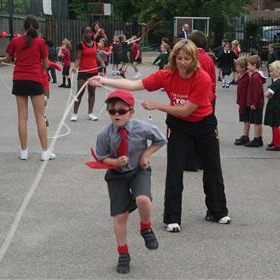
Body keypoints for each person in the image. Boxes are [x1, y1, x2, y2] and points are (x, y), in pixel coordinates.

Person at [89, 39, 231, 233]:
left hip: (203, 123)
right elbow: (133, 84)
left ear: (194, 58)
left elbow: (187, 110)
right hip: (178, 125)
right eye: (179, 58)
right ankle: (172, 217)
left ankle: (217, 211)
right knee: (175, 168)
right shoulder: (167, 75)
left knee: (212, 166)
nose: (182, 62)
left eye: (186, 58)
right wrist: (103, 80)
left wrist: (158, 106)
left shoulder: (202, 78)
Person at [95, 89, 167, 273]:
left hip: (138, 171)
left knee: (143, 199)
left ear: (131, 111)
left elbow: (160, 140)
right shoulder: (105, 134)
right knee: (120, 216)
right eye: (112, 111)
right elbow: (101, 157)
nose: (116, 115)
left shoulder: (143, 128)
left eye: (121, 111)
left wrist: (145, 154)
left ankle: (146, 228)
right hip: (116, 175)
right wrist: (115, 162)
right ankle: (123, 254)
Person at [0, 15, 56, 161]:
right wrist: (40, 68)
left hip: (19, 80)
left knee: (22, 117)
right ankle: (45, 152)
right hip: (35, 80)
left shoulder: (15, 41)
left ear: (23, 27)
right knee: (39, 117)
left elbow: (7, 59)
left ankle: (24, 151)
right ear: (36, 27)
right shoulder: (40, 42)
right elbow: (46, 64)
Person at [71, 25, 99, 122]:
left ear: (92, 33)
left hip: (94, 71)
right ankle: (74, 113)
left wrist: (102, 63)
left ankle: (90, 113)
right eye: (86, 32)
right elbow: (78, 58)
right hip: (83, 72)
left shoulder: (95, 43)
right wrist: (75, 67)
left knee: (92, 92)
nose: (88, 34)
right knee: (80, 92)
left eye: (90, 32)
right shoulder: (80, 45)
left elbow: (95, 56)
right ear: (83, 33)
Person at [244, 55, 266, 148]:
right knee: (258, 121)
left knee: (257, 122)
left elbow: (257, 92)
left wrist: (254, 103)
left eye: (248, 65)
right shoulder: (255, 75)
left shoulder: (255, 77)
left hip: (256, 103)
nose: (247, 67)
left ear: (254, 65)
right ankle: (259, 138)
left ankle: (256, 139)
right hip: (258, 103)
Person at [233, 57, 251, 145]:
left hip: (245, 102)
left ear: (243, 68)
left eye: (237, 67)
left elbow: (245, 92)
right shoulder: (243, 76)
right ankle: (245, 135)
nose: (236, 68)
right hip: (242, 101)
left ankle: (246, 136)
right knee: (245, 119)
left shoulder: (247, 78)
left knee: (246, 119)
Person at [264, 60, 280, 151]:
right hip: (276, 104)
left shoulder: (277, 83)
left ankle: (277, 144)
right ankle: (275, 141)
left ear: (277, 71)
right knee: (274, 124)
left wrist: (268, 95)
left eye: (271, 71)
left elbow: (267, 94)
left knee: (275, 124)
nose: (270, 73)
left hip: (275, 105)